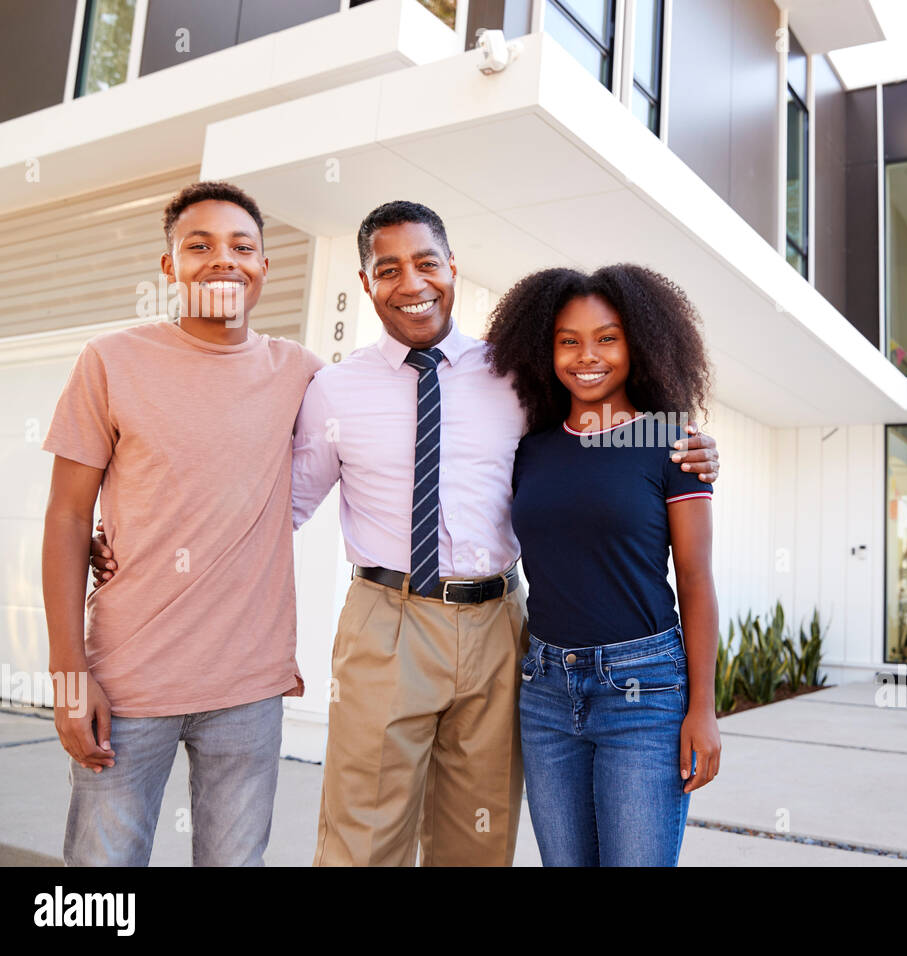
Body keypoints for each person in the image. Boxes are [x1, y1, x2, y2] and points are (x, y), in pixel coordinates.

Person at [93, 200, 722, 866]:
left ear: (452, 268)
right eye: (387, 269)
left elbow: (596, 432)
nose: (411, 283)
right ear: (366, 284)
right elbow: (274, 509)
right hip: (384, 625)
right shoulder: (333, 389)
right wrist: (135, 536)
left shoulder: (516, 377)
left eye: (426, 263)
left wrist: (687, 442)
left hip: (502, 632)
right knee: (362, 839)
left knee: (476, 840)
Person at [43, 182, 324, 866]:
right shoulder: (110, 360)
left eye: (241, 246)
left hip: (249, 690)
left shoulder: (301, 373)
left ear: (264, 266)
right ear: (168, 267)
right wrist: (69, 677)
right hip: (129, 681)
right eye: (198, 246)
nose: (221, 260)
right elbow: (69, 517)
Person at [485, 265, 722, 866]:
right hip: (544, 689)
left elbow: (696, 581)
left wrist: (704, 709)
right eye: (569, 340)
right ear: (546, 348)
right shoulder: (530, 448)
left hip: (645, 691)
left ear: (638, 342)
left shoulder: (673, 442)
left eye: (607, 338)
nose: (586, 356)